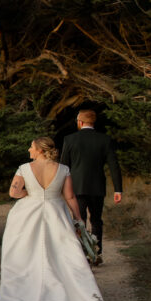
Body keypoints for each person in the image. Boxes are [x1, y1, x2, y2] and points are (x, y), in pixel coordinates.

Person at [0, 137, 108, 301]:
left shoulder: (24, 168)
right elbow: (69, 196)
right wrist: (79, 219)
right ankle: (68, 299)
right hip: (56, 213)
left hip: (27, 215)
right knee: (61, 256)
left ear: (40, 150)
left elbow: (13, 193)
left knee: (26, 256)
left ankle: (26, 296)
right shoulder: (63, 169)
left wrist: (30, 194)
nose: (29, 150)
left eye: (32, 147)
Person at [59, 109, 122, 258]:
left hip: (76, 187)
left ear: (80, 123)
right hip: (97, 186)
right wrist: (118, 189)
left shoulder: (70, 139)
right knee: (96, 219)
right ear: (93, 122)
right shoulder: (104, 139)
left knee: (79, 220)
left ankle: (82, 253)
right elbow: (114, 165)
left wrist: (59, 188)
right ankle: (97, 251)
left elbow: (64, 166)